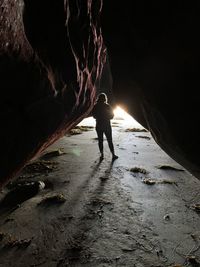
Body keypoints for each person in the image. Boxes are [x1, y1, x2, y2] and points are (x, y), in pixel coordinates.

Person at [92, 93, 118, 161]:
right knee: (110, 140)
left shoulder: (95, 106)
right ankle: (113, 155)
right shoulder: (107, 106)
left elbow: (94, 116)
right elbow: (112, 116)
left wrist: (99, 117)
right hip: (106, 125)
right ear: (105, 99)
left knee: (100, 141)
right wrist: (106, 117)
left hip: (99, 125)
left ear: (98, 98)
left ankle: (102, 155)